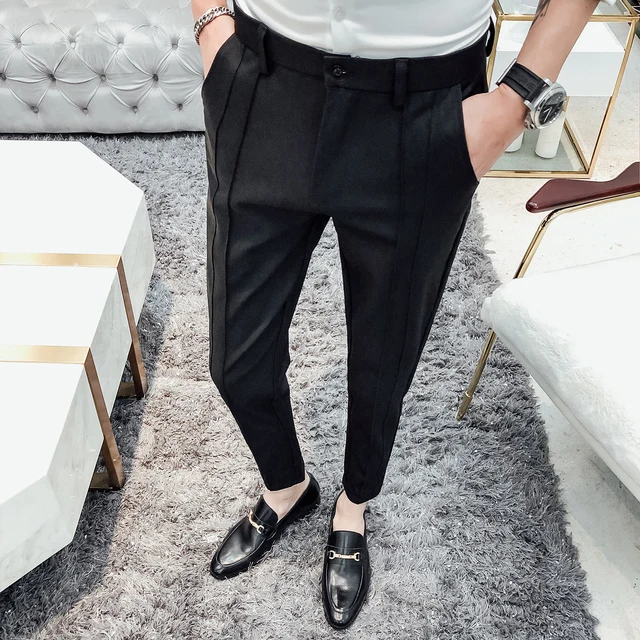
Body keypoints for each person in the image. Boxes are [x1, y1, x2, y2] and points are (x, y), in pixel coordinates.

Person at [191, 0, 614, 629]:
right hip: (265, 79)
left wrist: (515, 100)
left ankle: (353, 506)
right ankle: (287, 486)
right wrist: (212, 27)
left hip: (422, 106)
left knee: (384, 359)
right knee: (236, 359)